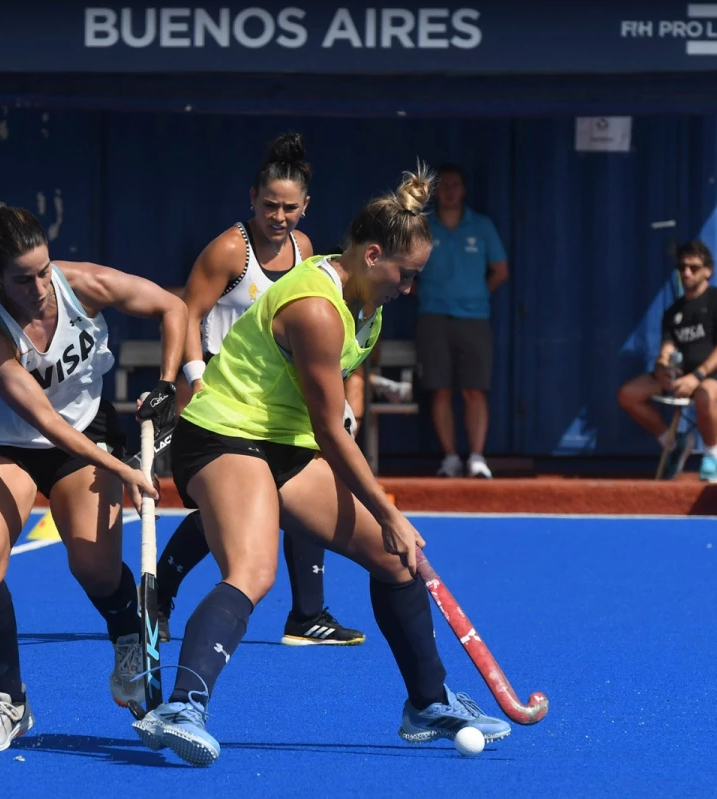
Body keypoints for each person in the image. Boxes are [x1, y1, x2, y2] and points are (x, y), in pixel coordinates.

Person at [131, 167, 511, 767]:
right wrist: (389, 510)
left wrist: (390, 526)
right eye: (405, 275)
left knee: (395, 560)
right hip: (224, 433)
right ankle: (181, 708)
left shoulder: (368, 300)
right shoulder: (317, 308)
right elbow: (331, 431)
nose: (409, 288)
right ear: (372, 253)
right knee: (254, 570)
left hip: (284, 442)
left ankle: (428, 705)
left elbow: (328, 415)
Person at [0, 202, 187, 752]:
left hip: (85, 427)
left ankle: (127, 636)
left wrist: (167, 385)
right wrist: (125, 470)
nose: (41, 287)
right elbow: (43, 421)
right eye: (23, 279)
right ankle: (10, 702)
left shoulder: (82, 285)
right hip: (3, 443)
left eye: (44, 270)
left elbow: (174, 307)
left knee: (94, 568)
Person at [156, 132, 366, 648]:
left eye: (290, 208)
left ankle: (307, 613)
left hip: (281, 404)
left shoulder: (308, 251)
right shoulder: (230, 250)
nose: (279, 216)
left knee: (299, 491)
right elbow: (188, 312)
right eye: (269, 205)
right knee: (224, 512)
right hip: (224, 399)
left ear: (306, 207)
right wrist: (192, 375)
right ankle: (158, 594)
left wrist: (336, 398)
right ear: (252, 198)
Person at [617, 239, 717, 482]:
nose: (686, 272)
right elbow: (666, 350)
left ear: (708, 271)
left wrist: (697, 376)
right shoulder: (673, 312)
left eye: (694, 268)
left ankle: (711, 457)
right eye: (682, 267)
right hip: (683, 376)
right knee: (628, 394)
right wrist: (663, 369)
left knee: (703, 395)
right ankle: (673, 443)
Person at [413, 164, 509, 478]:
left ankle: (477, 457)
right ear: (434, 192)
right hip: (433, 317)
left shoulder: (481, 226)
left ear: (464, 190)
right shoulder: (421, 226)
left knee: (475, 390)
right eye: (443, 186)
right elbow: (402, 269)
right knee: (439, 390)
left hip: (474, 318)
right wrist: (426, 293)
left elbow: (500, 271)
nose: (450, 191)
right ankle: (451, 458)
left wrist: (476, 294)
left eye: (455, 185)